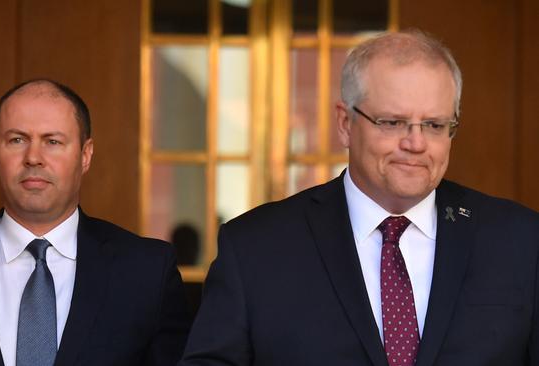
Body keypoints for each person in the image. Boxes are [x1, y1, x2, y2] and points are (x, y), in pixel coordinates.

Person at [179, 30, 539, 365]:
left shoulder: (520, 241)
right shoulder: (255, 247)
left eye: (433, 125)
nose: (415, 143)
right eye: (392, 122)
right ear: (345, 124)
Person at [0, 79, 191, 366]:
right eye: (17, 139)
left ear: (85, 155)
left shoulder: (148, 273)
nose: (33, 157)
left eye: (53, 141)